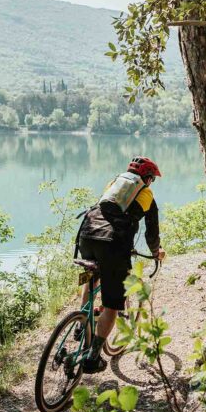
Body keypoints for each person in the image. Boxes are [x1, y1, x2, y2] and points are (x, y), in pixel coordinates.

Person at [76, 156, 165, 373]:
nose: (151, 183)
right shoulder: (145, 193)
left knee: (90, 276)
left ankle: (81, 322)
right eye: (151, 179)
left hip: (85, 237)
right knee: (113, 304)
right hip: (111, 245)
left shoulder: (112, 185)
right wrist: (156, 251)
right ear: (147, 178)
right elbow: (151, 231)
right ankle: (93, 356)